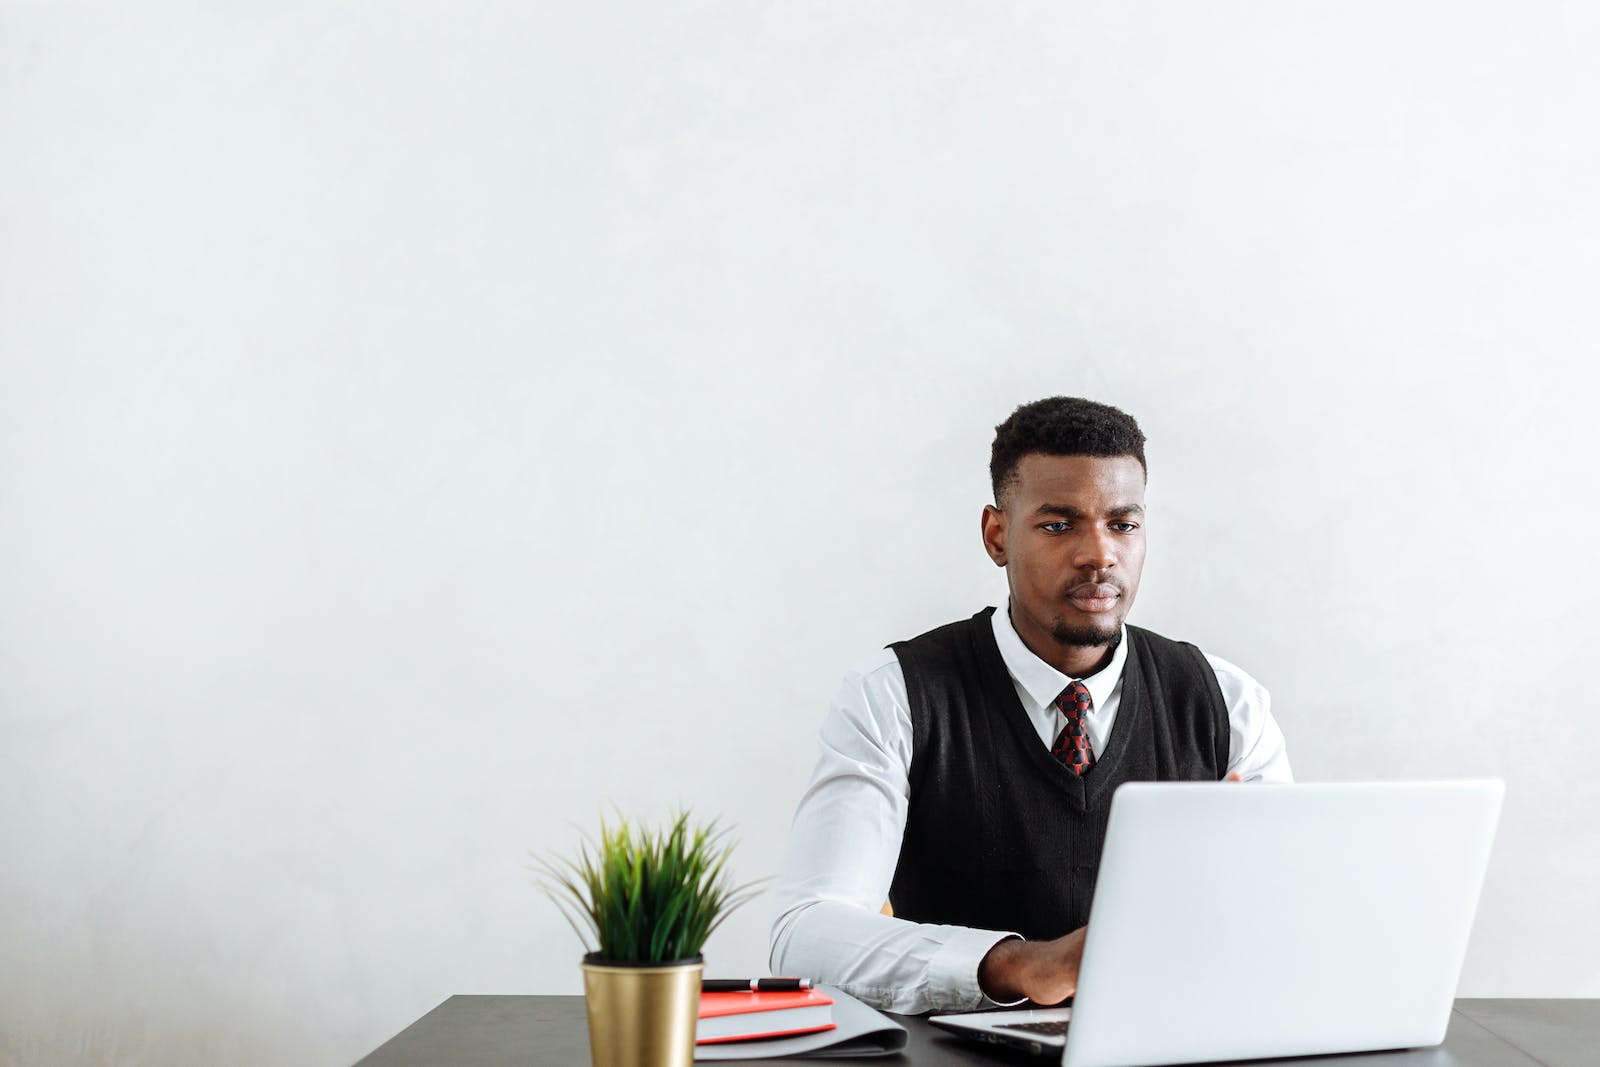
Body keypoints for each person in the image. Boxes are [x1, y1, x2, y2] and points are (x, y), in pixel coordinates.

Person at [768, 396, 1293, 1015]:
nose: (1098, 554)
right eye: (1058, 524)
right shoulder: (895, 695)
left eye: (1122, 524)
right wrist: (1015, 965)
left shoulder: (1227, 701)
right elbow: (804, 934)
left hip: (1175, 1046)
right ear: (997, 535)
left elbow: (1287, 923)